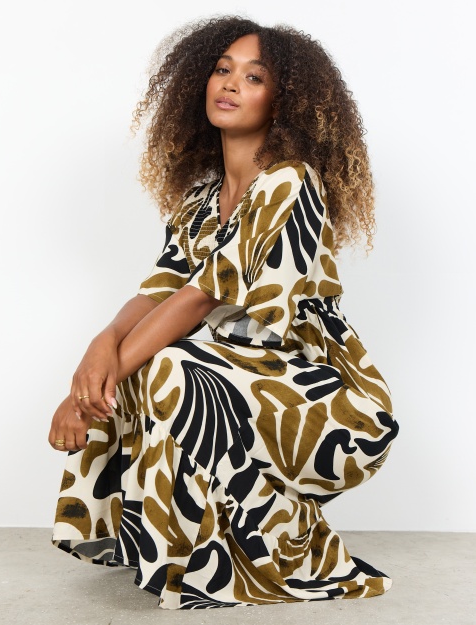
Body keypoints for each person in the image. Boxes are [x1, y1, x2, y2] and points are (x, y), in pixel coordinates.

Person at [48, 15, 400, 610]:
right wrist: (97, 349)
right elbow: (159, 292)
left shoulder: (290, 182)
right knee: (146, 362)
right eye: (222, 69)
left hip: (325, 395)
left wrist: (85, 396)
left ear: (283, 100)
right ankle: (189, 549)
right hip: (236, 372)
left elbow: (199, 297)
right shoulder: (201, 199)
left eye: (254, 77)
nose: (231, 83)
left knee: (166, 365)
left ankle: (261, 554)